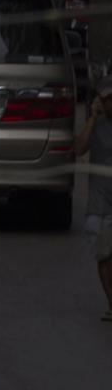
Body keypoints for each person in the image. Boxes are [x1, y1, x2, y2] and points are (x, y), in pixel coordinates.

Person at [75, 77, 112, 321]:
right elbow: (79, 149)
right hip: (100, 203)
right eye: (106, 99)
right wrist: (92, 117)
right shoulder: (96, 124)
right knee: (104, 255)